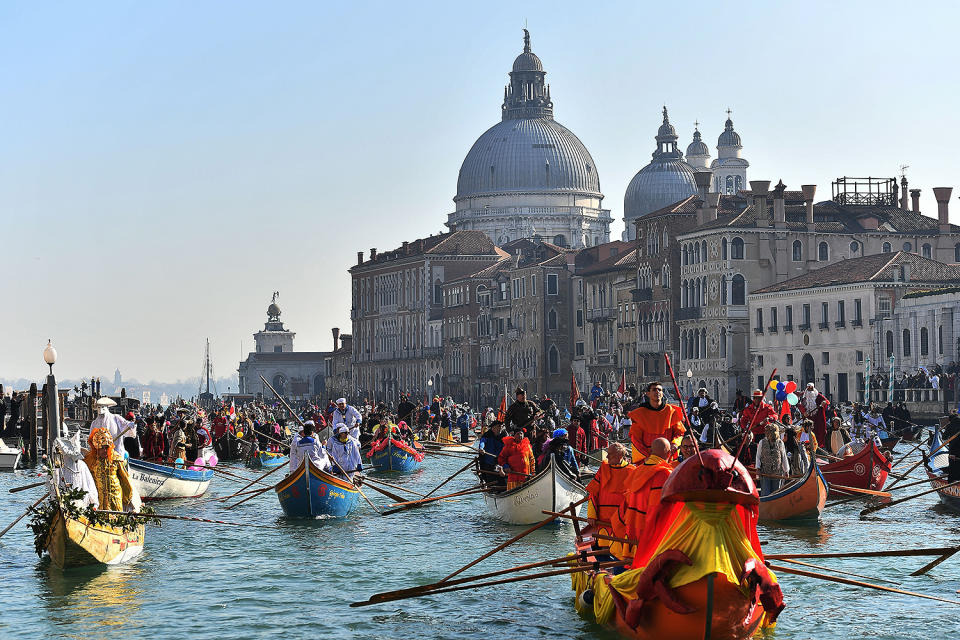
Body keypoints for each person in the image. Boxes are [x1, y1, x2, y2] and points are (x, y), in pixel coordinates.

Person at [611, 438, 674, 559]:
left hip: (631, 527)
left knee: (631, 566)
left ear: (651, 451)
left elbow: (627, 501)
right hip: (649, 532)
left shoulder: (637, 470)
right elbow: (657, 509)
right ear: (669, 454)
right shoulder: (664, 474)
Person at [585, 442, 634, 555]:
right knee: (604, 548)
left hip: (622, 521)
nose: (606, 457)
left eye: (610, 454)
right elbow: (593, 493)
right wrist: (591, 515)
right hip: (603, 520)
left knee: (621, 550)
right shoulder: (603, 468)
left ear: (619, 455)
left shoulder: (632, 471)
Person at [626, 382, 685, 463]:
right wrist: (648, 457)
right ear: (648, 393)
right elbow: (636, 439)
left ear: (662, 393)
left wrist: (674, 444)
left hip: (668, 457)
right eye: (654, 390)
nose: (657, 392)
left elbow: (679, 433)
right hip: (647, 459)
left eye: (659, 390)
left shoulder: (671, 411)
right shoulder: (640, 414)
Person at [83, 427, 139, 512]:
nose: (105, 450)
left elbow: (125, 478)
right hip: (98, 497)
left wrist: (127, 498)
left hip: (114, 496)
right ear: (96, 447)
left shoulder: (116, 458)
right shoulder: (89, 460)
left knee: (116, 518)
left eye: (106, 447)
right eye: (102, 448)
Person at [53, 428, 99, 509]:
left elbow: (90, 485)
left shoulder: (82, 465)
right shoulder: (59, 466)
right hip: (63, 505)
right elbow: (54, 485)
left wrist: (94, 503)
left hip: (81, 505)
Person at [755, 423, 789, 497]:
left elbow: (783, 457)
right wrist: (758, 468)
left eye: (768, 431)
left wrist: (786, 470)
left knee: (776, 493)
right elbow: (758, 456)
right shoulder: (762, 442)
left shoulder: (780, 443)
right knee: (766, 493)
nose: (766, 432)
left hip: (777, 473)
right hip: (765, 472)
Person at [497, 426, 536, 490]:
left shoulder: (527, 446)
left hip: (525, 476)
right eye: (518, 434)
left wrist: (533, 472)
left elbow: (532, 459)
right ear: (514, 436)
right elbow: (501, 458)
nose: (520, 435)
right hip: (513, 477)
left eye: (521, 434)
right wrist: (506, 466)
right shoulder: (509, 445)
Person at [800, 383, 830, 447]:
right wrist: (804, 412)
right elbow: (801, 406)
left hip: (818, 418)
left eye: (811, 388)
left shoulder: (818, 395)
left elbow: (826, 401)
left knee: (819, 432)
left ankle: (819, 446)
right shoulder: (804, 397)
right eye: (809, 388)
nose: (810, 390)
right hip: (808, 418)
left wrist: (824, 403)